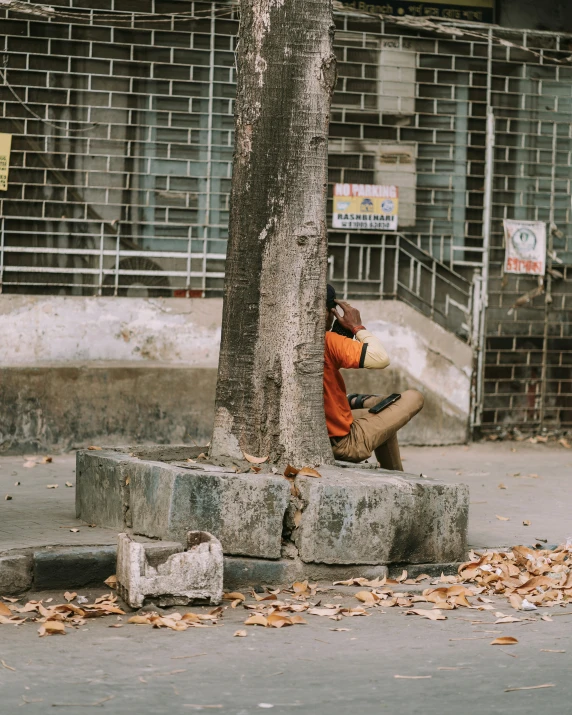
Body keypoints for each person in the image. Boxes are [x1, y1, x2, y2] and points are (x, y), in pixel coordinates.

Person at [324, 284, 424, 471]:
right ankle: (397, 475)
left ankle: (396, 476)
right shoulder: (327, 341)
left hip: (325, 432)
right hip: (344, 443)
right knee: (414, 397)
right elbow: (380, 358)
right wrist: (356, 327)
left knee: (383, 406)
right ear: (329, 312)